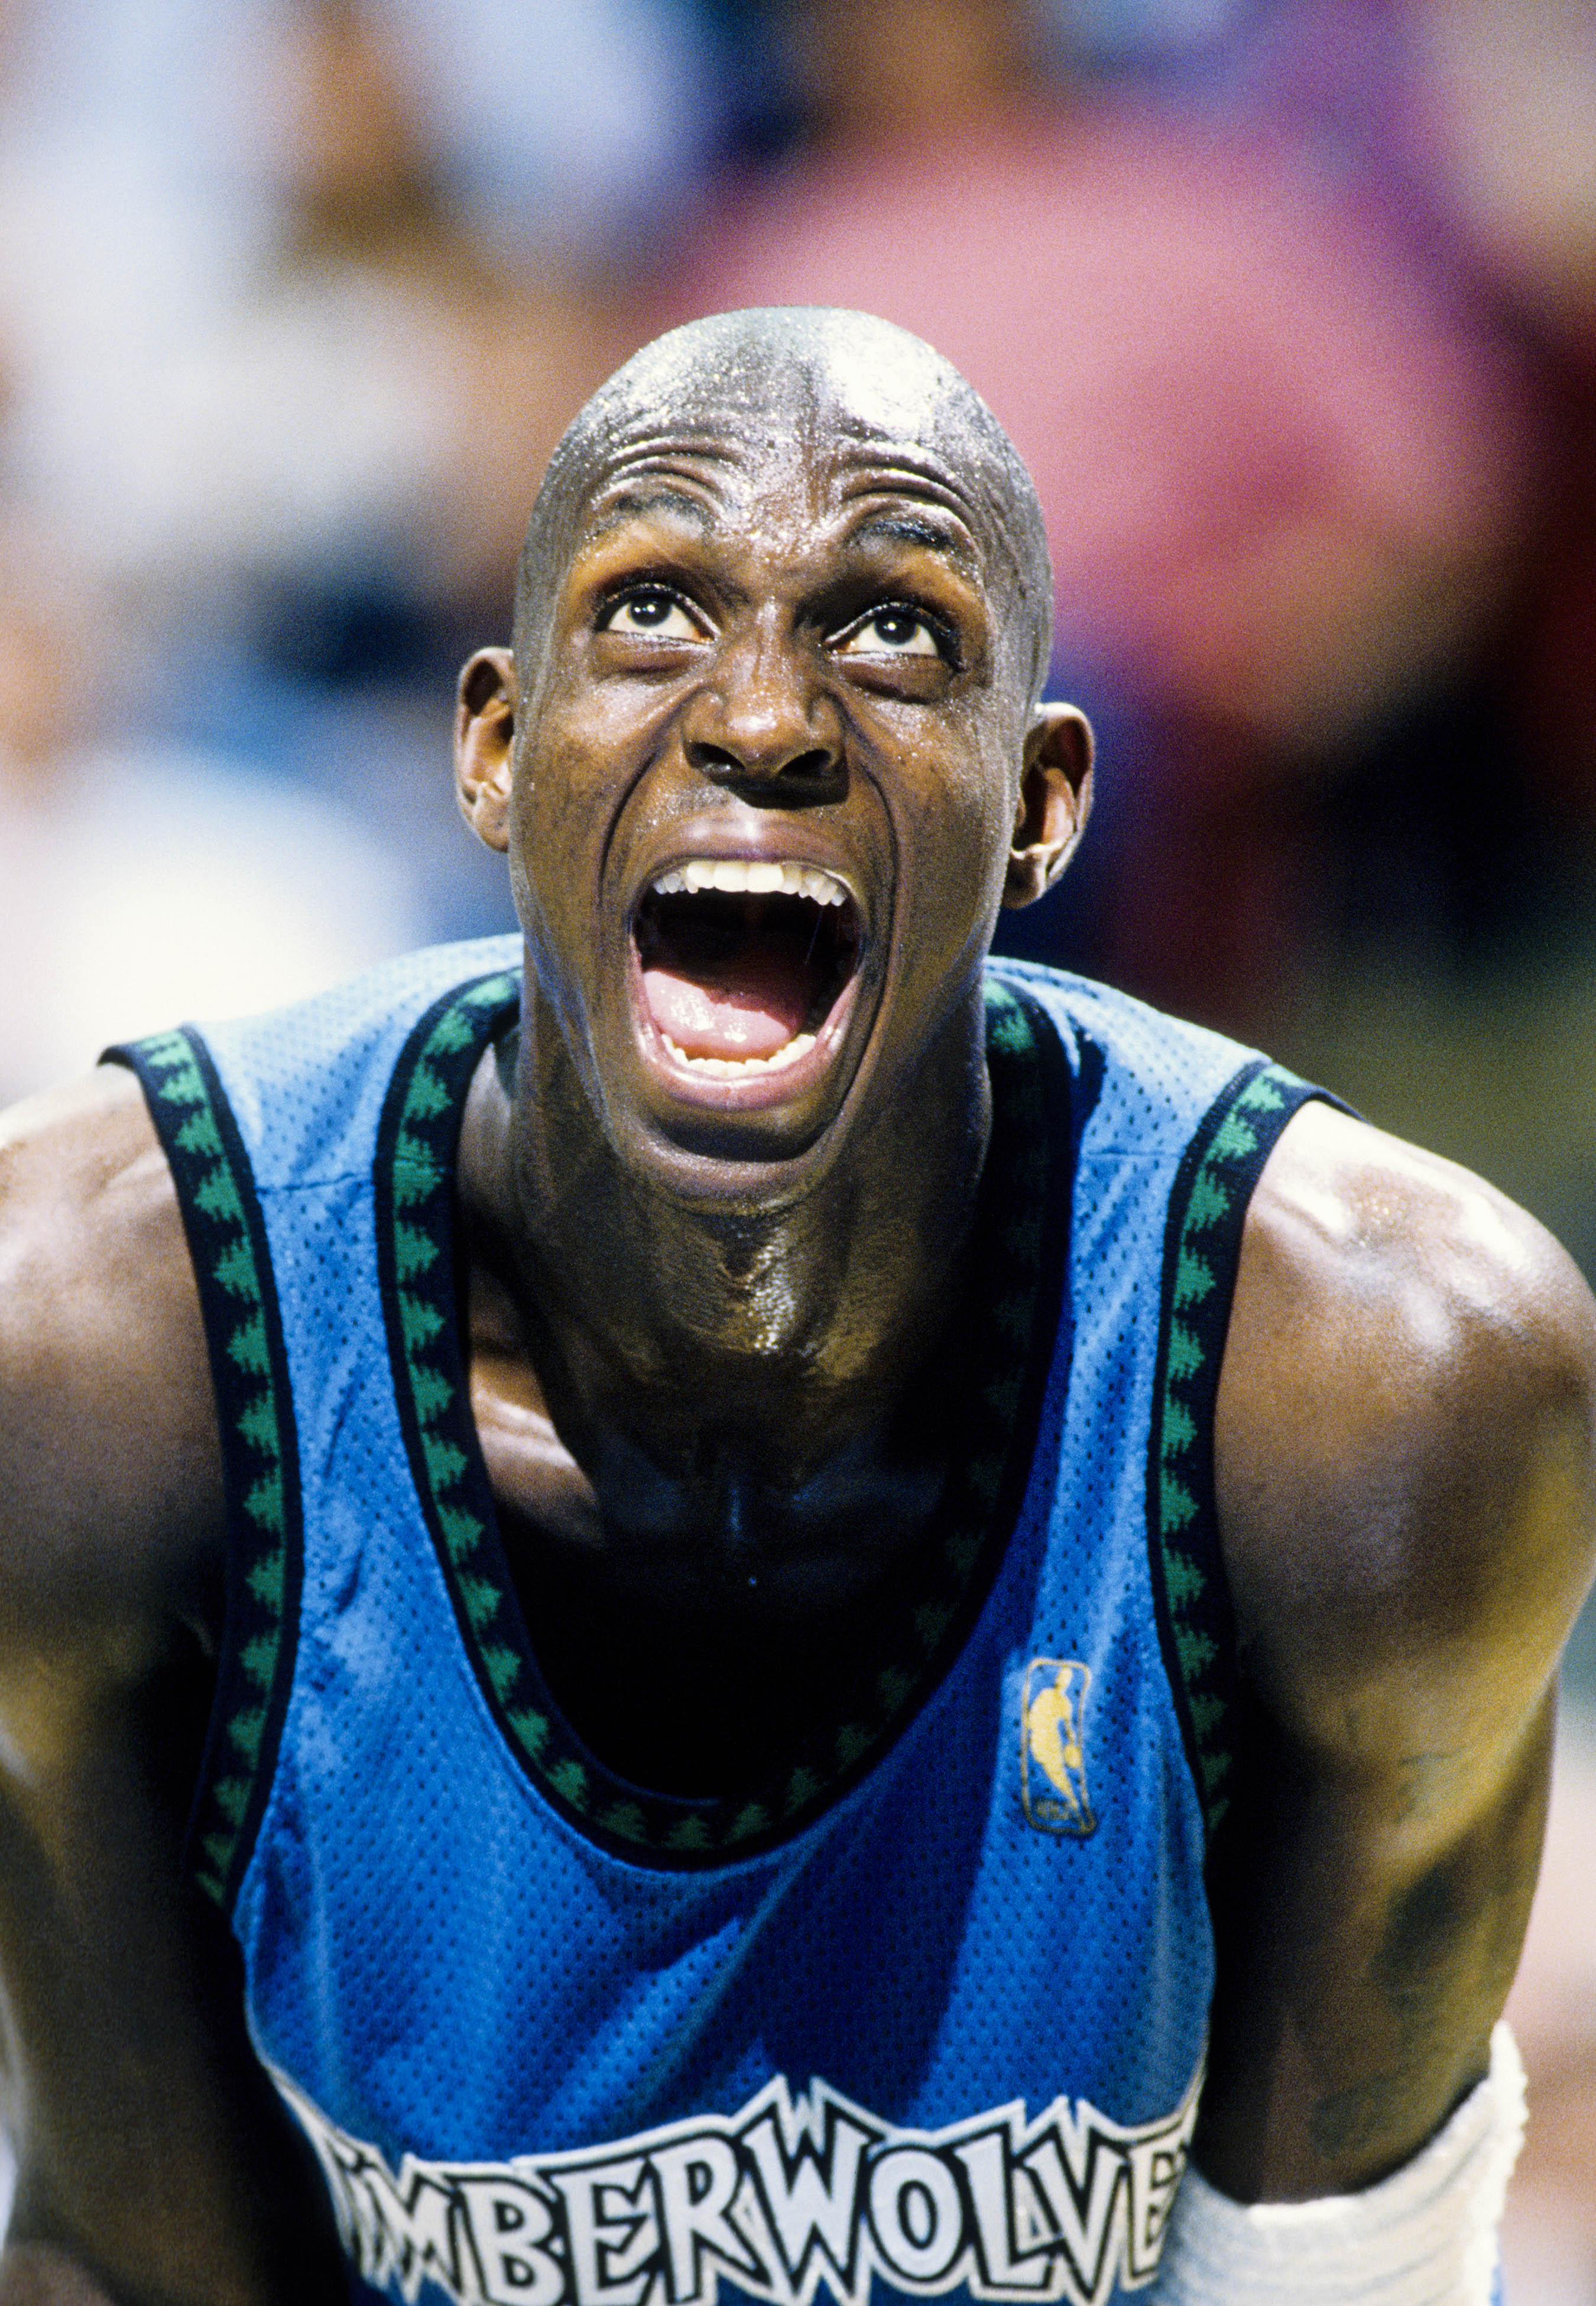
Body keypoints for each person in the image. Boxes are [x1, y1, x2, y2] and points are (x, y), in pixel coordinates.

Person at [0, 307, 1590, 2306]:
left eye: (895, 630)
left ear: (1039, 803)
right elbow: (126, 2263)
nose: (763, 714)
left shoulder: (1378, 1382)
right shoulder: (90, 1345)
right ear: (494, 744)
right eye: (654, 606)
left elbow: (1335, 2281)